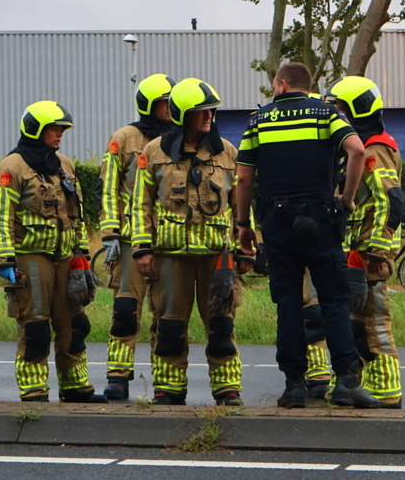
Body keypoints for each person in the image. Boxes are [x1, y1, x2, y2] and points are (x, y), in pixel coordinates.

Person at [235, 62, 379, 409]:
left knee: (287, 305)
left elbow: (242, 177)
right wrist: (345, 199)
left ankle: (294, 387)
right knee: (334, 301)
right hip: (322, 220)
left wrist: (244, 225)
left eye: (274, 83)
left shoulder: (259, 120)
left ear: (282, 84)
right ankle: (346, 382)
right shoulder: (327, 114)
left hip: (277, 223)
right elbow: (357, 150)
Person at [131, 78, 248, 406]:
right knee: (168, 327)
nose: (208, 116)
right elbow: (141, 204)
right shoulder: (153, 152)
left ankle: (227, 389)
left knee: (222, 327)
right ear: (183, 114)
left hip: (217, 258)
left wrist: (244, 249)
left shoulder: (228, 152)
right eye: (201, 111)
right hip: (171, 257)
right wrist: (142, 249)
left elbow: (241, 206)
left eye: (211, 110)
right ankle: (169, 388)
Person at [0, 101, 106, 404]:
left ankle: (75, 386)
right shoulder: (11, 168)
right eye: (54, 129)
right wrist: (5, 259)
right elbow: (0, 217)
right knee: (35, 327)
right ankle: (34, 390)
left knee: (75, 323)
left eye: (62, 129)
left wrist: (81, 253)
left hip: (67, 258)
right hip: (31, 258)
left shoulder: (64, 165)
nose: (60, 134)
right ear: (35, 130)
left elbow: (74, 212)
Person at [326, 76, 405, 409]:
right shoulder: (357, 146)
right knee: (356, 325)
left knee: (374, 323)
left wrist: (376, 250)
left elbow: (390, 201)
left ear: (358, 109)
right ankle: (361, 386)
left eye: (341, 109)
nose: (337, 116)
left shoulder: (374, 149)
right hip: (354, 253)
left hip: (367, 254)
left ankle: (388, 391)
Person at [98, 73, 176, 401]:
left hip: (170, 241)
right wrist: (110, 233)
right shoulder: (124, 138)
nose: (169, 109)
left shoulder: (181, 138)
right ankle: (118, 376)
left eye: (172, 103)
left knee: (167, 313)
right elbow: (109, 187)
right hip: (131, 240)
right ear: (148, 106)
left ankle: (166, 381)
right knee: (126, 309)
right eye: (163, 104)